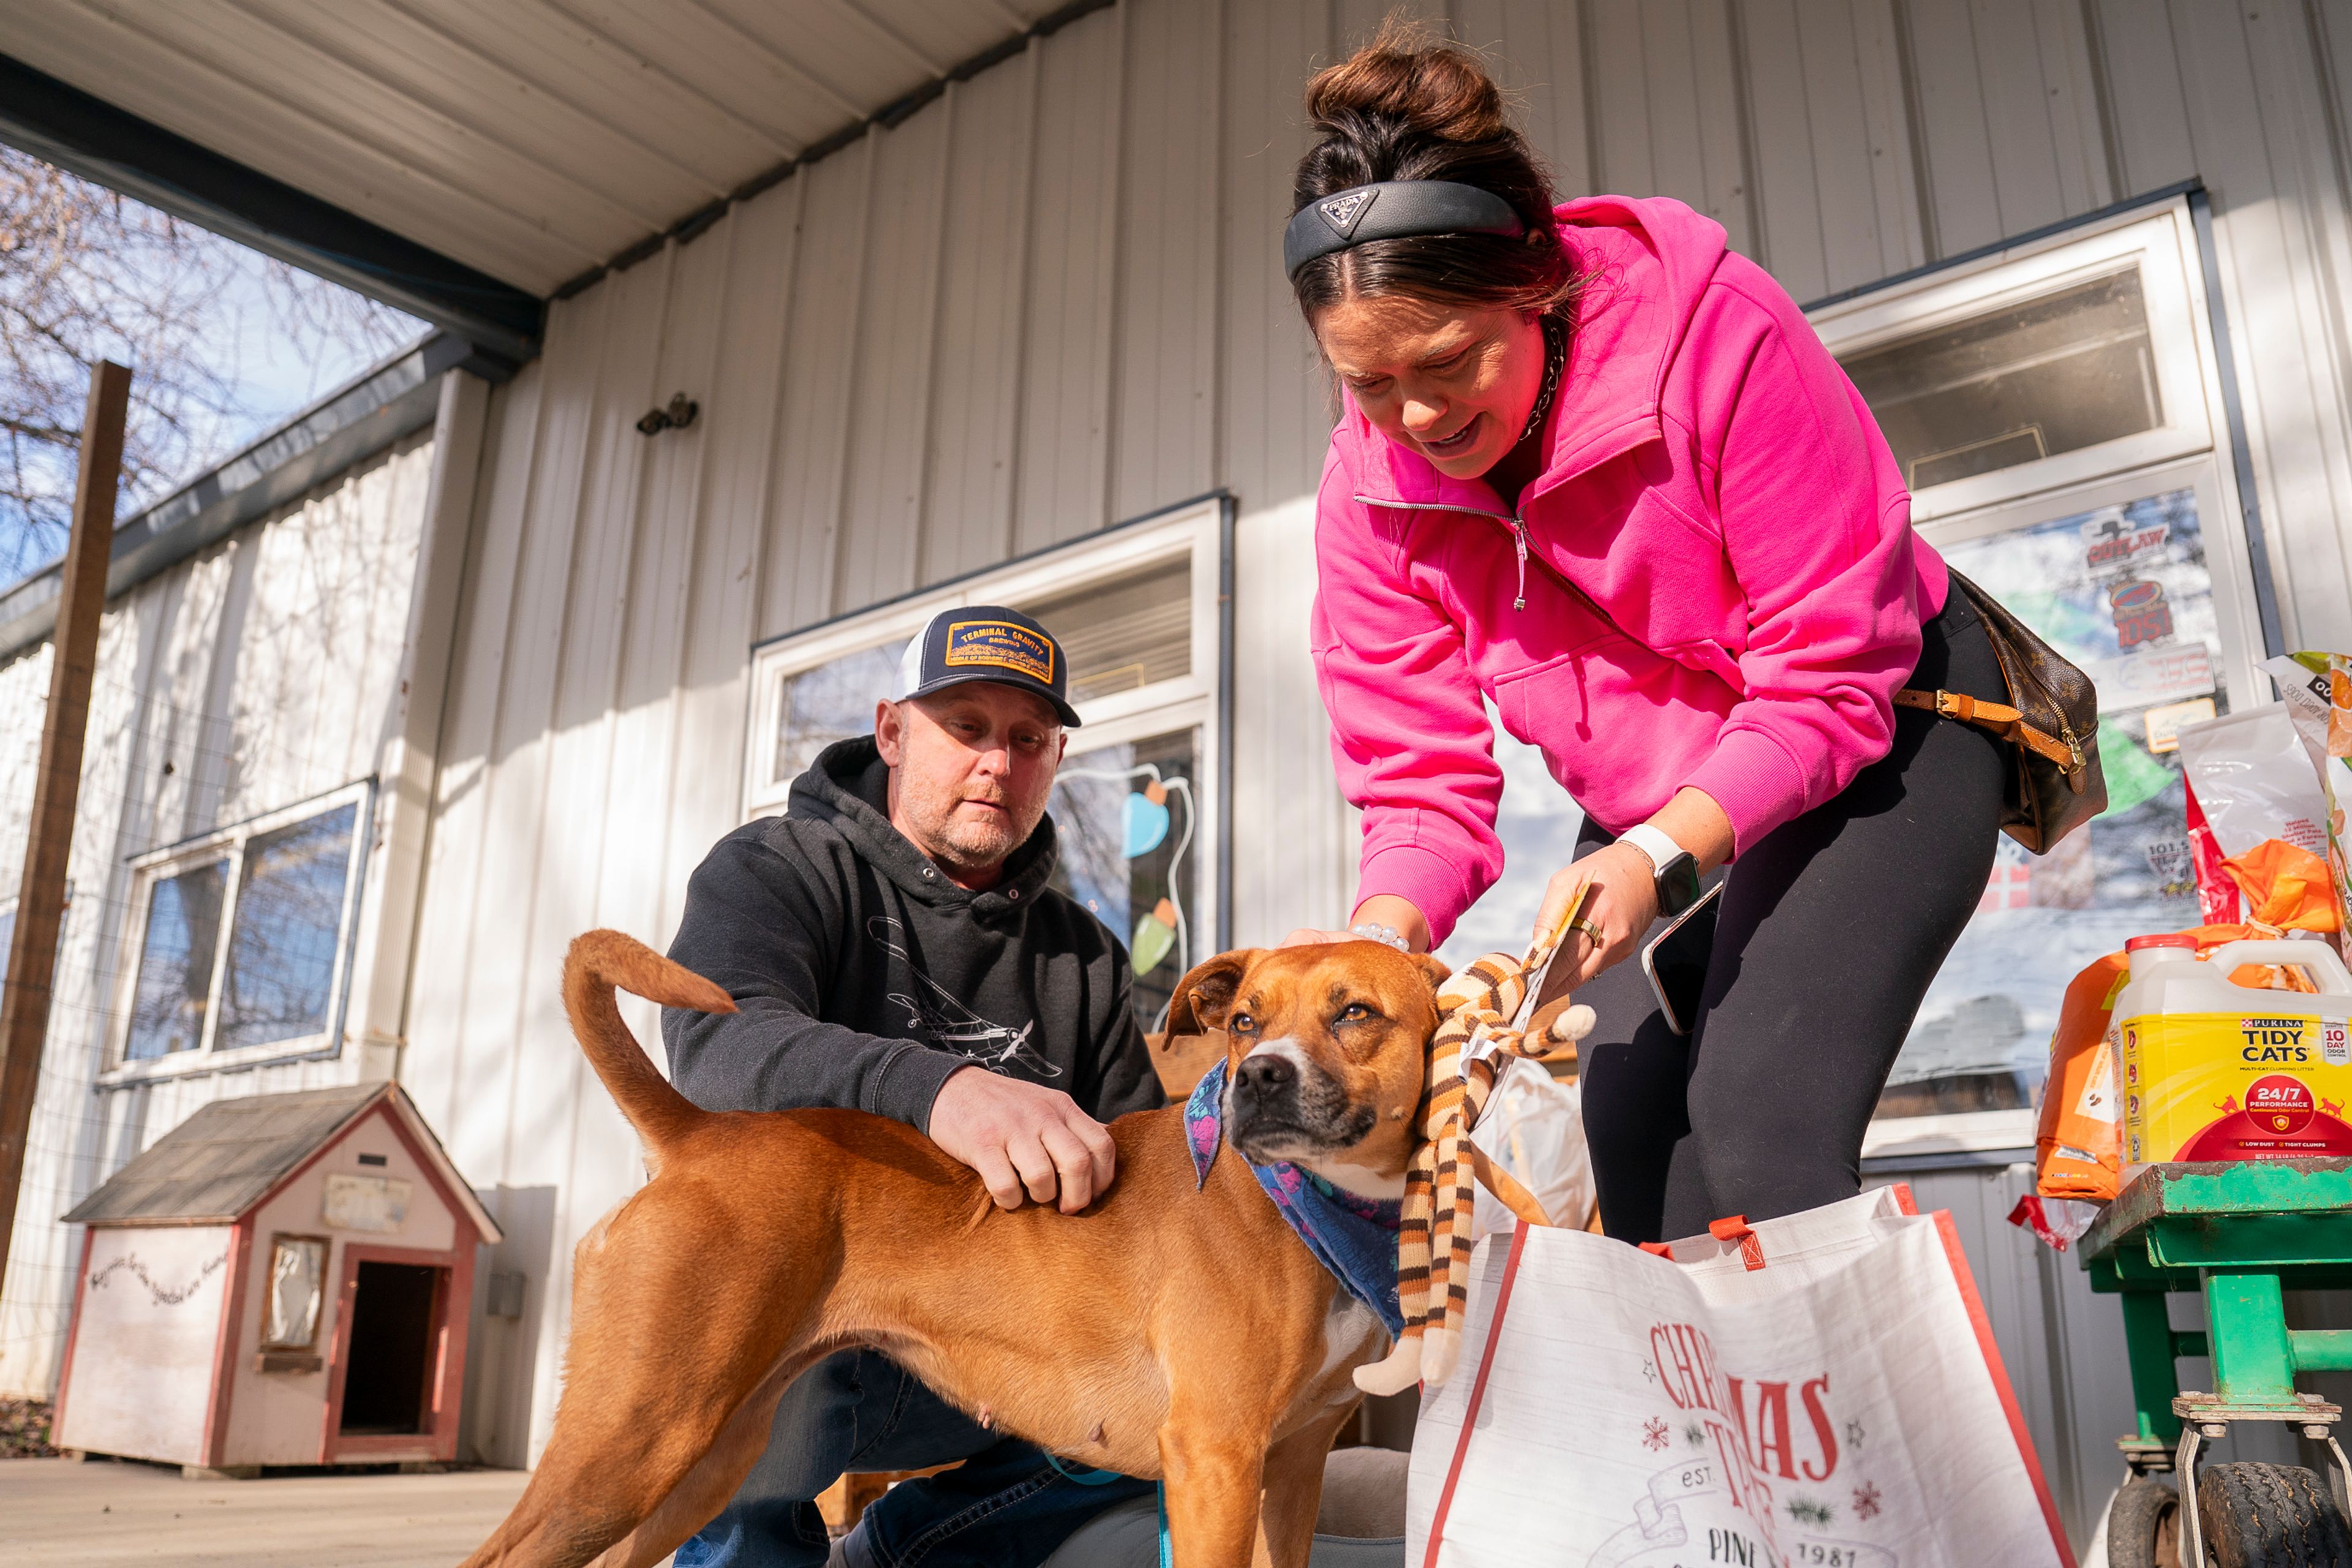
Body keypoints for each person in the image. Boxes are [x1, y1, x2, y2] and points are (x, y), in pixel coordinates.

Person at [1280, 31, 2011, 1245]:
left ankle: (1857, 1438)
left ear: (1536, 281)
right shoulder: (1369, 491)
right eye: (1365, 383)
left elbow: (1830, 676)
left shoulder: (1713, 335)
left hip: (1884, 722)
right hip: (1654, 802)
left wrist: (1654, 859)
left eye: (1449, 361)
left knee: (1757, 1125)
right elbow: (1413, 779)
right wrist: (1379, 937)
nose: (1412, 416)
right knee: (1634, 1151)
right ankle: (1710, 1443)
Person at [661, 604, 1163, 1568]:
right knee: (751, 1377)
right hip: (803, 1319)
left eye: (1028, 740)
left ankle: (896, 1550)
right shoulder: (777, 867)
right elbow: (715, 1051)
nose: (997, 765)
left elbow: (1141, 1174)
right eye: (965, 728)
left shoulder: (1087, 955)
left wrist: (1033, 1317)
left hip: (1005, 1341)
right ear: (891, 731)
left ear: (1055, 760)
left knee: (1167, 1416)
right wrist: (945, 1092)